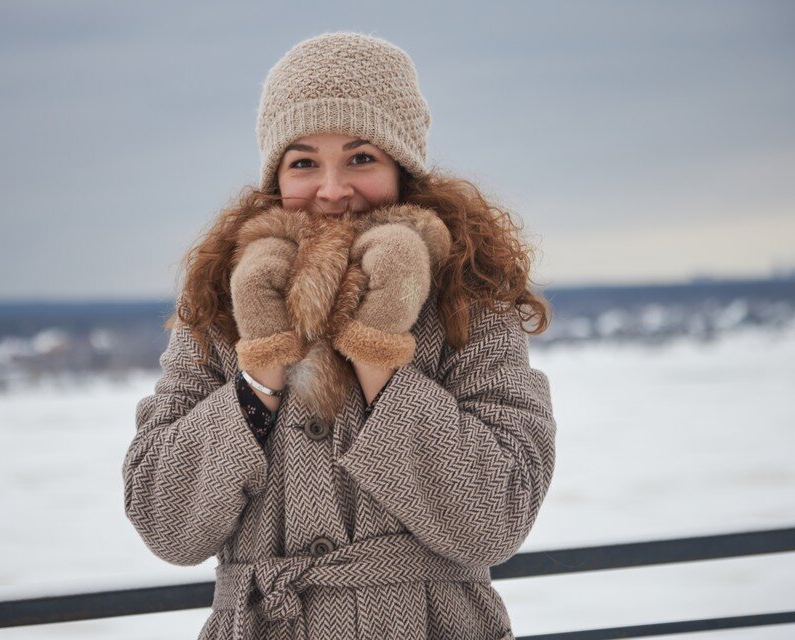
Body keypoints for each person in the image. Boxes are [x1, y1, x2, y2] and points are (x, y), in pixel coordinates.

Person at [122, 31, 557, 640]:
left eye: (360, 158)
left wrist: (380, 354)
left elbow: (496, 517)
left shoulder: (469, 302)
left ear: (402, 169)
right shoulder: (220, 306)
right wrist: (263, 364)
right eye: (304, 162)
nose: (331, 190)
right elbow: (165, 523)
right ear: (277, 176)